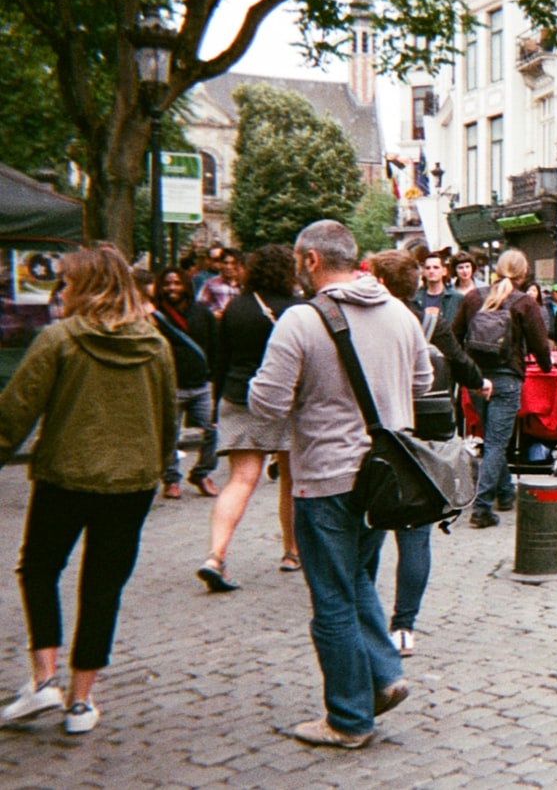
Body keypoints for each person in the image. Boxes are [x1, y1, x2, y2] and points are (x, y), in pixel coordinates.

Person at [248, 220, 431, 748]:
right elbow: (422, 382)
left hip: (325, 476)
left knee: (331, 596)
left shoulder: (299, 321)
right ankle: (382, 673)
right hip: (384, 477)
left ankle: (348, 718)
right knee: (356, 580)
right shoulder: (399, 312)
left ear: (310, 261)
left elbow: (268, 405)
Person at [0, 245, 176, 735]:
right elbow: (167, 416)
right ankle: (81, 702)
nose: (62, 289)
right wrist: (158, 469)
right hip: (131, 483)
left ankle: (43, 679)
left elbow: (16, 411)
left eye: (68, 281)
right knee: (102, 588)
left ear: (87, 286)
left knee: (39, 568)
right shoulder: (155, 344)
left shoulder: (59, 339)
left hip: (65, 476)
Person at [368, 251, 488, 656]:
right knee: (414, 533)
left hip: (374, 433)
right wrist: (479, 382)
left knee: (364, 528)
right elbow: (457, 360)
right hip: (420, 437)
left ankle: (362, 615)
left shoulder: (361, 322)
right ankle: (404, 626)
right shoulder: (427, 320)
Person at [198, 245, 303, 591]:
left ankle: (216, 555)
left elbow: (220, 360)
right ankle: (292, 551)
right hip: (286, 400)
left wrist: (217, 404)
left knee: (241, 480)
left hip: (239, 395)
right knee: (291, 478)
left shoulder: (235, 307)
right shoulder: (298, 310)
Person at [453, 248, 552, 528]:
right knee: (497, 443)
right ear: (523, 274)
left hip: (476, 380)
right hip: (507, 378)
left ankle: (505, 492)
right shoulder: (524, 303)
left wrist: (466, 370)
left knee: (491, 438)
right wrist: (546, 367)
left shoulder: (473, 297)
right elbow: (539, 343)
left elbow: (454, 335)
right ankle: (482, 508)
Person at [150, 266, 220, 499]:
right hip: (170, 387)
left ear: (186, 286)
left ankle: (202, 473)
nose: (172, 288)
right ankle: (171, 479)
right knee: (169, 435)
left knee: (213, 431)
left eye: (177, 283)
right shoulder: (155, 316)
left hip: (200, 385)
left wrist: (211, 375)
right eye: (167, 284)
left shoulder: (202, 313)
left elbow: (213, 344)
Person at [412, 250, 463, 334]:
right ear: (423, 272)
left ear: (444, 271)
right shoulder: (415, 299)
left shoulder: (457, 298)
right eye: (428, 268)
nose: (431, 271)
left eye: (436, 267)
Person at [196, 248, 243, 319]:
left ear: (239, 265)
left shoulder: (243, 285)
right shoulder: (210, 284)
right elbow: (199, 307)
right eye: (225, 263)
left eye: (233, 263)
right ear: (220, 264)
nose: (228, 267)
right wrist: (212, 313)